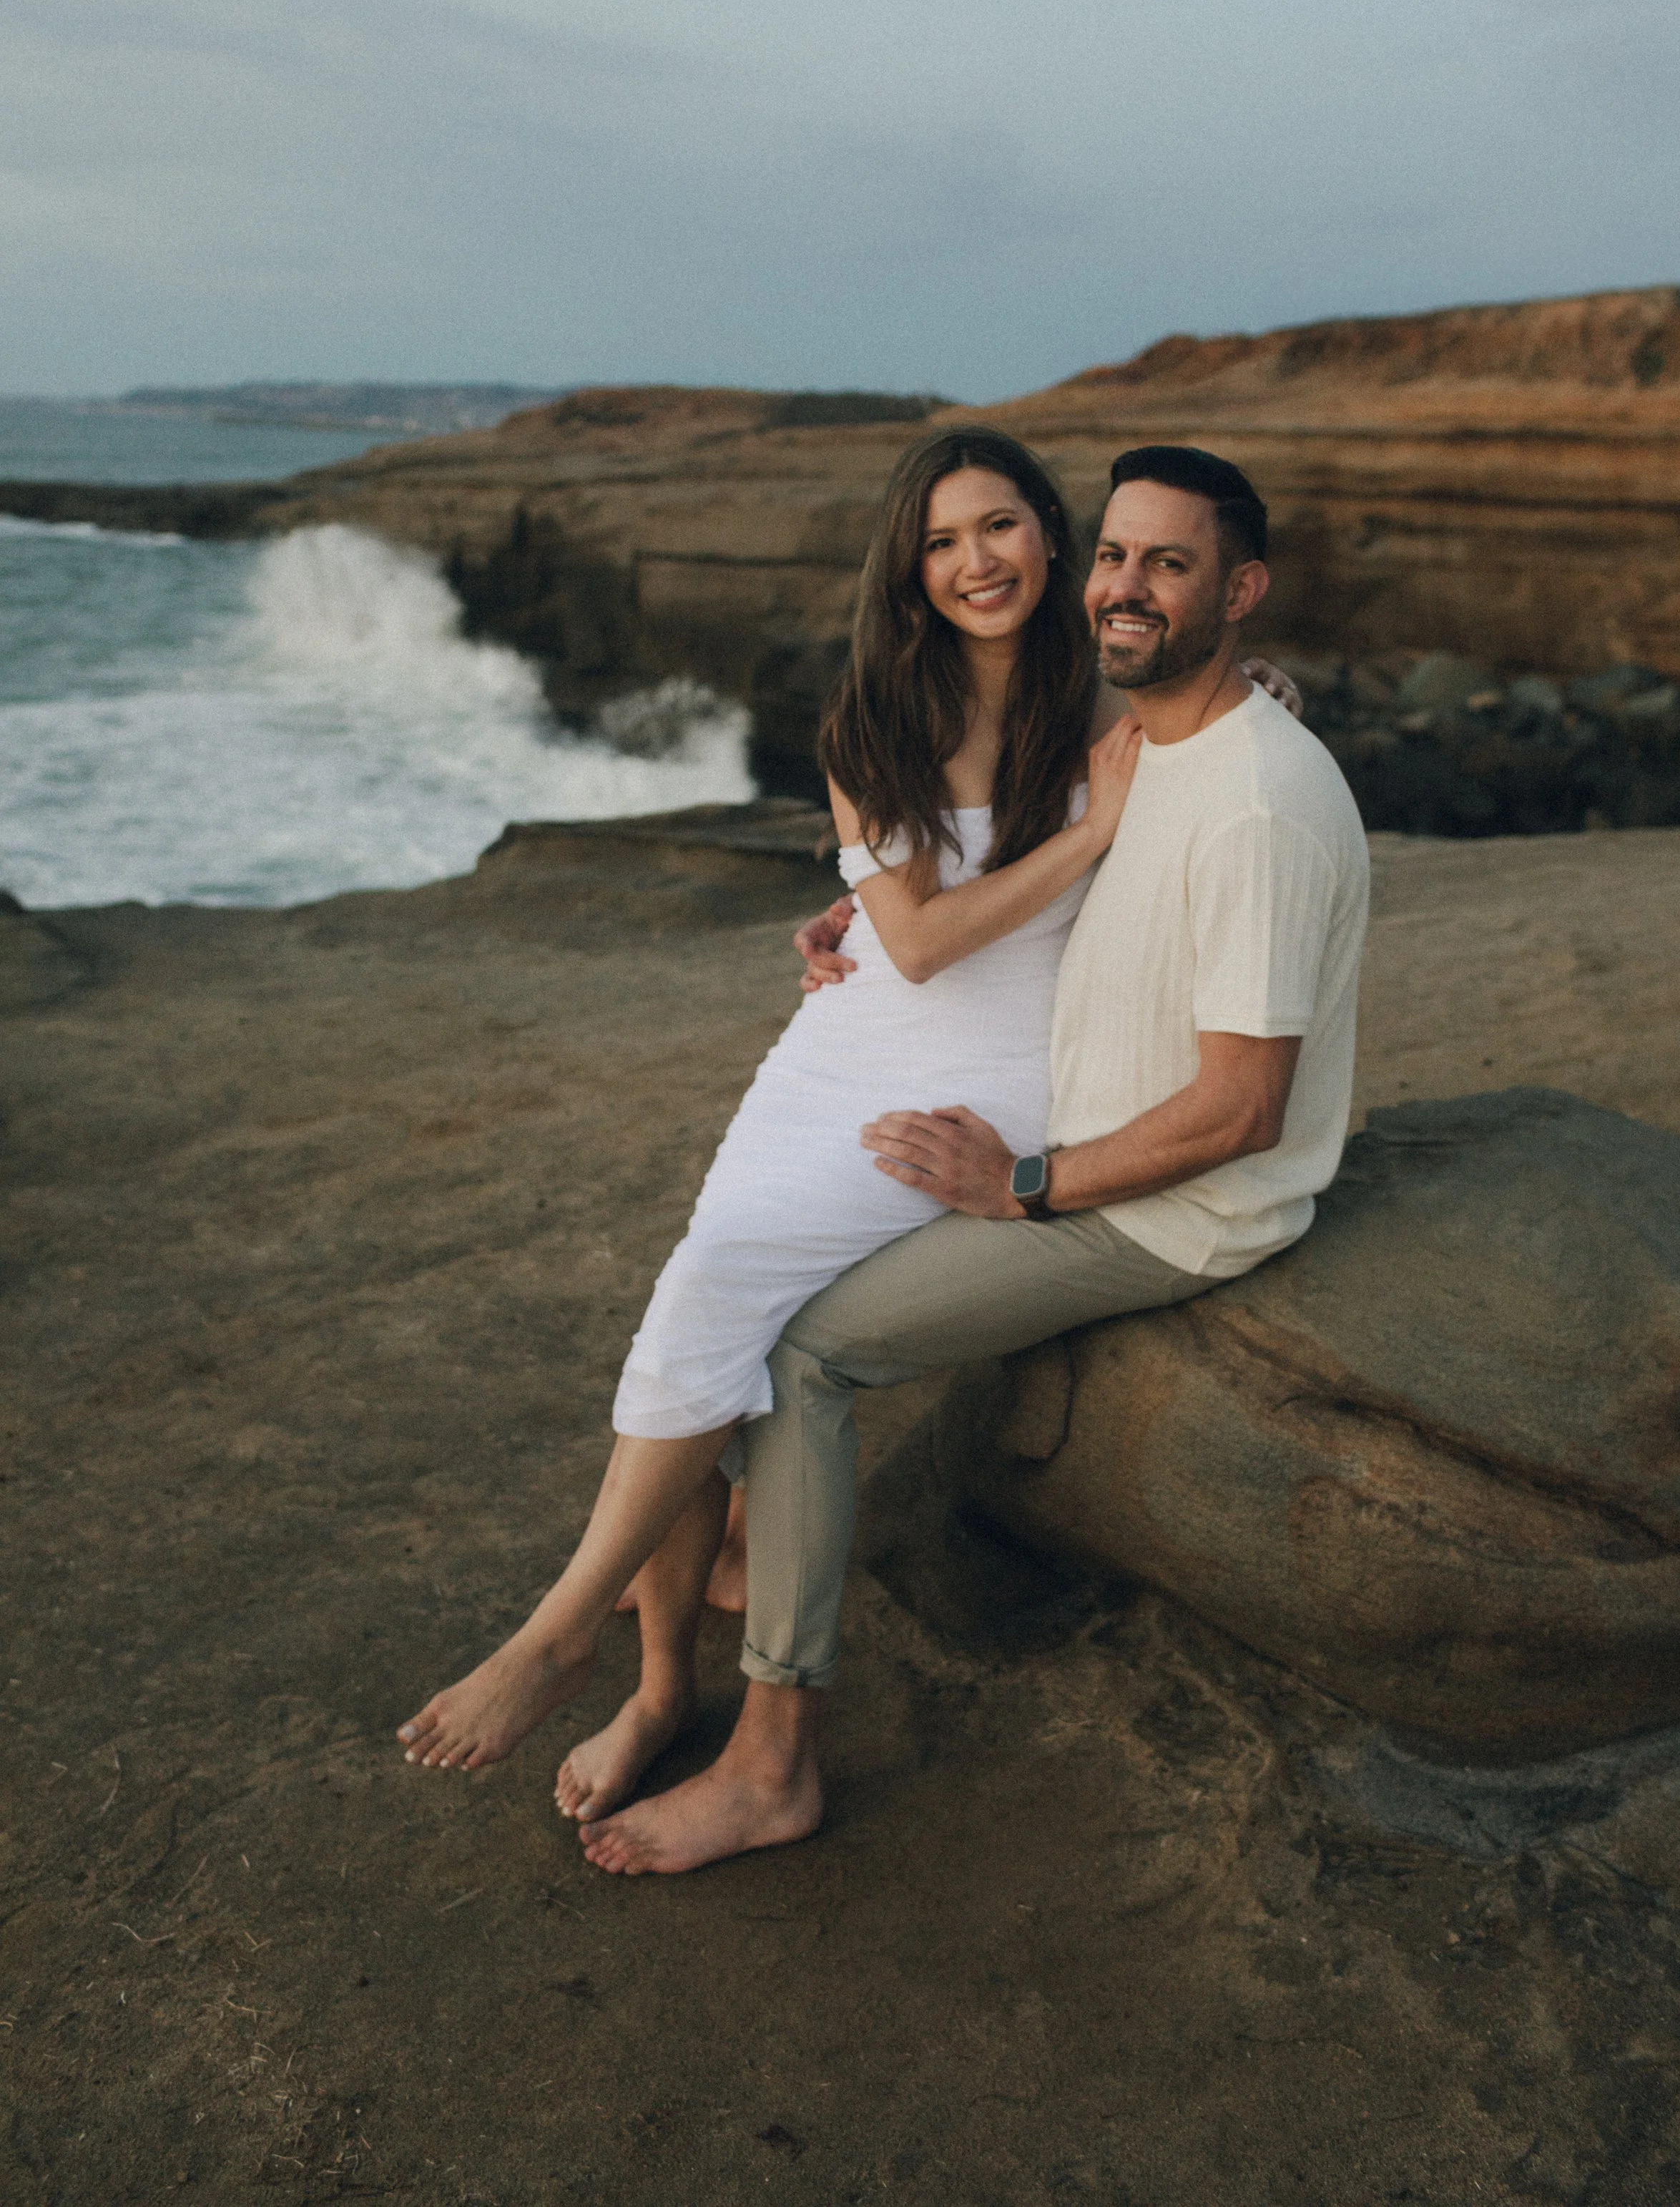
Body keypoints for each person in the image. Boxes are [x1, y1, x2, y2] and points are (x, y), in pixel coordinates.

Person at [397, 426, 1297, 1797]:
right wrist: (1062, 846)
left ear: (1050, 539)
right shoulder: (870, 723)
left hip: (992, 1071)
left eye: (999, 527)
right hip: (844, 1043)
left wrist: (1264, 696)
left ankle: (564, 1633)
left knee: (717, 1297)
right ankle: (656, 1693)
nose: (974, 561)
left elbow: (1220, 742)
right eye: (941, 542)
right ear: (910, 569)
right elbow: (920, 941)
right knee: (701, 1304)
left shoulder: (1110, 693)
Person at [578, 441, 1370, 1877]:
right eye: (1117, 558)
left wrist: (1019, 1185)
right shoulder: (1145, 727)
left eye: (1167, 565)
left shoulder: (1250, 793)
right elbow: (964, 888)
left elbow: (1241, 1112)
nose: (1125, 588)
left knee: (803, 1351)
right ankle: (734, 1582)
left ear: (1236, 591)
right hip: (1045, 1113)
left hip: (1160, 1198)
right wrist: (853, 917)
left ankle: (768, 1766)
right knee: (742, 1299)